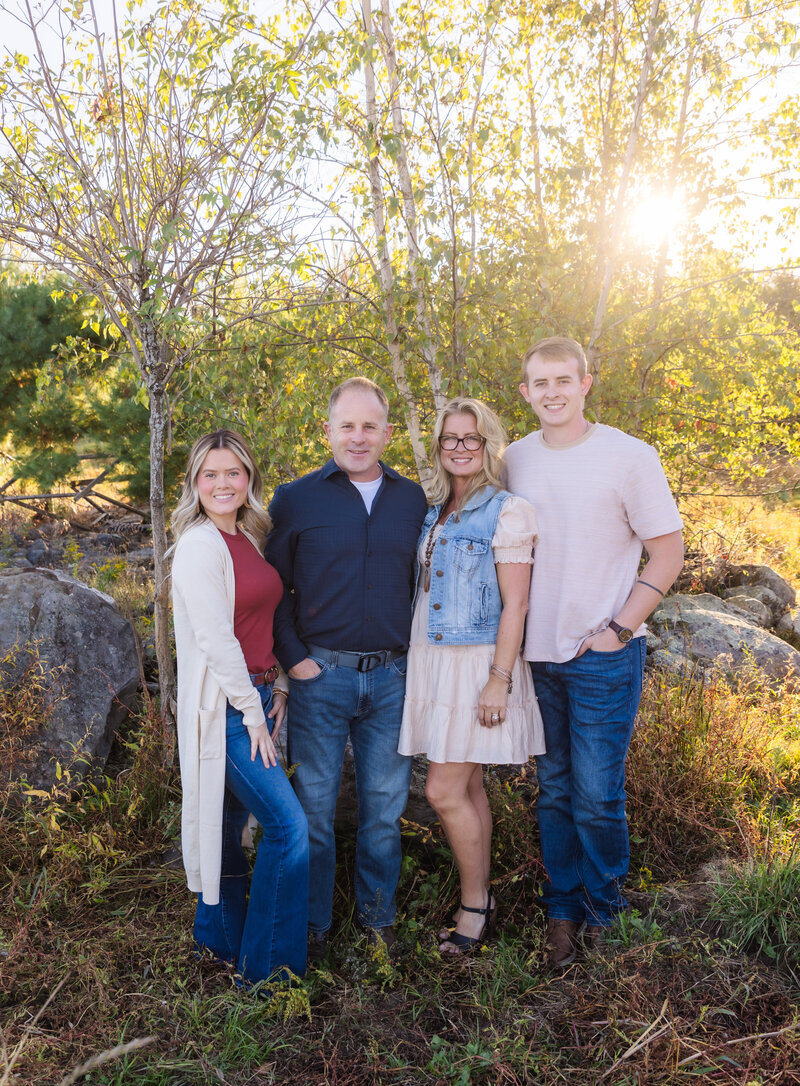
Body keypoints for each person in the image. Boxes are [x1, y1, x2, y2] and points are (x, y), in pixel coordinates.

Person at [505, 336, 684, 968]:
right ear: (525, 392)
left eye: (563, 380)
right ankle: (563, 911)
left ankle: (607, 911)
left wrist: (619, 627)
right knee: (552, 790)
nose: (552, 392)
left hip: (603, 653)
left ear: (586, 383)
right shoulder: (514, 459)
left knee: (598, 793)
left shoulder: (629, 457)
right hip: (536, 654)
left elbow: (667, 551)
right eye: (539, 383)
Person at [267, 377, 427, 958]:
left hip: (392, 678)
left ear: (386, 432)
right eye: (347, 426)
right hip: (320, 677)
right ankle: (313, 925)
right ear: (328, 431)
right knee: (313, 808)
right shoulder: (295, 499)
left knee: (385, 809)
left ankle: (377, 919)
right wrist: (296, 661)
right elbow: (274, 589)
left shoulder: (414, 501)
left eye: (369, 426)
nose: (358, 437)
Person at [398, 398, 545, 954]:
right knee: (467, 785)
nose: (460, 447)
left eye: (471, 438)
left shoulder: (507, 510)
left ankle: (473, 906)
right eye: (450, 438)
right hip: (433, 659)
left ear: (488, 444)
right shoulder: (435, 509)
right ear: (438, 446)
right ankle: (480, 896)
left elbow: (516, 604)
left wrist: (498, 679)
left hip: (476, 664)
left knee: (441, 790)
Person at [171, 430, 309, 988]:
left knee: (228, 825)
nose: (223, 483)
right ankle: (268, 974)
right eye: (211, 474)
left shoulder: (247, 537)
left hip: (254, 695)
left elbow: (257, 625)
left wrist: (277, 684)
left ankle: (220, 941)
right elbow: (216, 641)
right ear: (195, 484)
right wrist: (253, 715)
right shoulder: (200, 547)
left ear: (249, 478)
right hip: (226, 713)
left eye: (234, 473)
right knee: (287, 828)